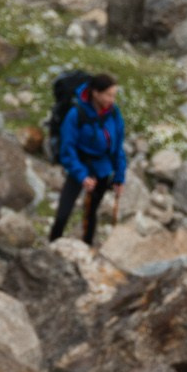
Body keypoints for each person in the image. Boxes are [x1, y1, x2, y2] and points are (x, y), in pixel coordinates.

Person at [50, 77, 127, 246]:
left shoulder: (113, 113)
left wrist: (119, 177)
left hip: (102, 169)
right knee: (63, 213)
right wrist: (82, 176)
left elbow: (118, 146)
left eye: (114, 95)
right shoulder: (76, 114)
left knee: (91, 213)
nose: (111, 100)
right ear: (95, 93)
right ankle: (52, 245)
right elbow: (67, 150)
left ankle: (87, 248)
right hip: (79, 166)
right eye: (108, 95)